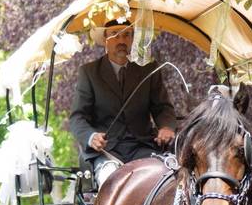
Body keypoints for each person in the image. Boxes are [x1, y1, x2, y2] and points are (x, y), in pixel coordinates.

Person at [68, 20, 176, 186]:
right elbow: (78, 117)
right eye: (115, 35)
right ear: (105, 39)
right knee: (110, 183)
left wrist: (167, 127)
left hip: (142, 147)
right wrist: (91, 137)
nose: (121, 40)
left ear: (132, 40)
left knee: (163, 179)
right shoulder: (89, 72)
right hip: (106, 151)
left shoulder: (149, 69)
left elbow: (162, 107)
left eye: (126, 35)